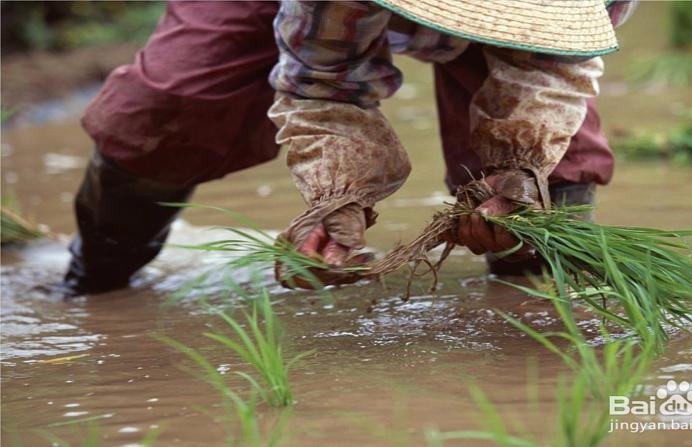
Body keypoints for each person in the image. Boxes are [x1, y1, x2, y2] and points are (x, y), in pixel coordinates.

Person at [59, 0, 636, 297]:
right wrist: (339, 195)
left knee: (554, 178)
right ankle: (95, 280)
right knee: (171, 105)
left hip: (523, 24)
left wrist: (519, 175)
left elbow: (551, 73)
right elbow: (322, 77)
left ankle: (529, 305)